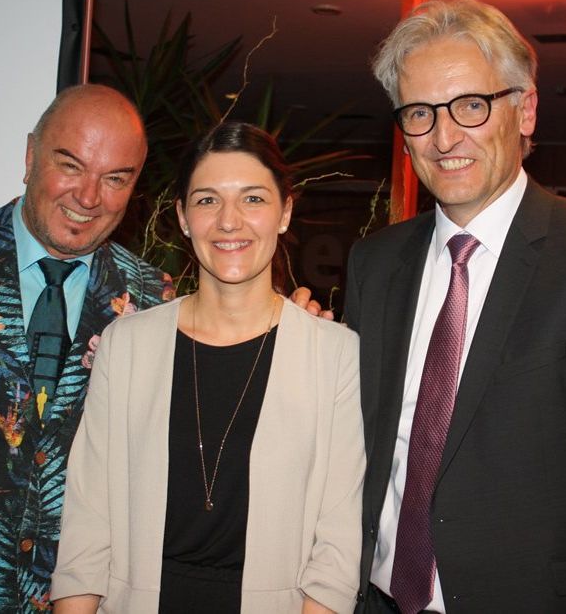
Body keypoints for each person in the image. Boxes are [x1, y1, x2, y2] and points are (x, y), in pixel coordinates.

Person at [0, 85, 326, 611]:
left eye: (115, 178)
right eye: (71, 165)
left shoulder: (154, 299)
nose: (89, 197)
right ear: (29, 156)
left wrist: (291, 333)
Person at [345, 0, 566, 613]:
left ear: (525, 110)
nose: (444, 137)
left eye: (471, 106)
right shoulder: (375, 264)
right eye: (420, 113)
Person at [50, 121, 365, 613]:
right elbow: (88, 525)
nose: (229, 221)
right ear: (181, 216)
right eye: (207, 200)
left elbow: (337, 547)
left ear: (285, 211)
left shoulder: (335, 355)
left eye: (254, 199)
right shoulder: (126, 344)